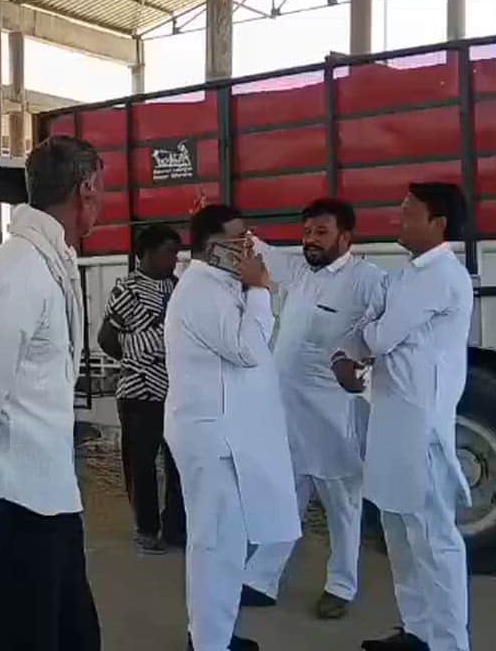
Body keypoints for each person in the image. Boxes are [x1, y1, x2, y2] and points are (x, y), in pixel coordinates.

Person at [0, 136, 105, 651]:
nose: (105, 202)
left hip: (47, 493)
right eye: (103, 190)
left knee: (73, 634)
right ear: (86, 189)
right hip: (17, 498)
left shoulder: (48, 261)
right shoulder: (21, 270)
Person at [331, 183, 474, 651]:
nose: (399, 219)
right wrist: (348, 349)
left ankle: (450, 643)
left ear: (440, 224)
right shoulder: (406, 274)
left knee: (434, 540)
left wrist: (354, 348)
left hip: (421, 427)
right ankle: (417, 631)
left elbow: (380, 335)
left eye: (409, 213)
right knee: (399, 532)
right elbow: (365, 326)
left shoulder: (441, 276)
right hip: (391, 418)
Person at [164, 204, 300, 651]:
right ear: (210, 248)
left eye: (250, 237)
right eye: (239, 241)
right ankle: (207, 642)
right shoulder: (200, 289)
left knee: (226, 544)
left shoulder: (223, 281)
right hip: (211, 438)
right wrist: (259, 291)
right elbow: (247, 349)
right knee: (216, 547)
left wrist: (257, 284)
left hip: (226, 437)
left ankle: (214, 635)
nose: (249, 247)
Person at [242, 199, 387, 619]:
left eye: (321, 232)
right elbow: (258, 250)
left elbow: (386, 331)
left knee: (342, 503)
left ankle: (341, 585)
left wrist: (364, 366)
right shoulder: (301, 272)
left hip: (333, 417)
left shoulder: (366, 280)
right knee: (284, 497)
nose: (310, 240)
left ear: (345, 237)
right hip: (288, 414)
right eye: (307, 232)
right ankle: (261, 579)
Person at [97, 223, 186, 555]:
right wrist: (138, 361)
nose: (174, 260)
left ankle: (176, 527)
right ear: (145, 254)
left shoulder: (177, 288)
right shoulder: (128, 290)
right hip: (138, 393)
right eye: (168, 252)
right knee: (142, 463)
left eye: (177, 253)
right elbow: (106, 337)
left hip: (175, 392)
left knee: (178, 462)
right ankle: (147, 529)